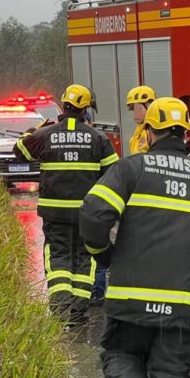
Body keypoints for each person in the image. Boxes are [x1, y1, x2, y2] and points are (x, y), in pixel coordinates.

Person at [79, 97, 190, 378]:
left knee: (122, 358)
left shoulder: (131, 169)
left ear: (149, 131)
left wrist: (103, 254)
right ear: (186, 133)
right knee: (171, 377)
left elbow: (93, 214)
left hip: (130, 304)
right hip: (184, 308)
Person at [13, 83, 119, 328]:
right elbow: (113, 175)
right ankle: (79, 312)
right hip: (86, 214)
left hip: (55, 214)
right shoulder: (98, 138)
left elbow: (19, 151)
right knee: (84, 259)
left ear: (64, 105)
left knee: (58, 256)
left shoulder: (45, 135)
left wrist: (36, 130)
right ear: (85, 110)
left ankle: (61, 307)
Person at [126, 85, 156, 155]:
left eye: (136, 107)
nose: (135, 114)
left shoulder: (155, 131)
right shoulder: (140, 128)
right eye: (133, 109)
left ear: (148, 106)